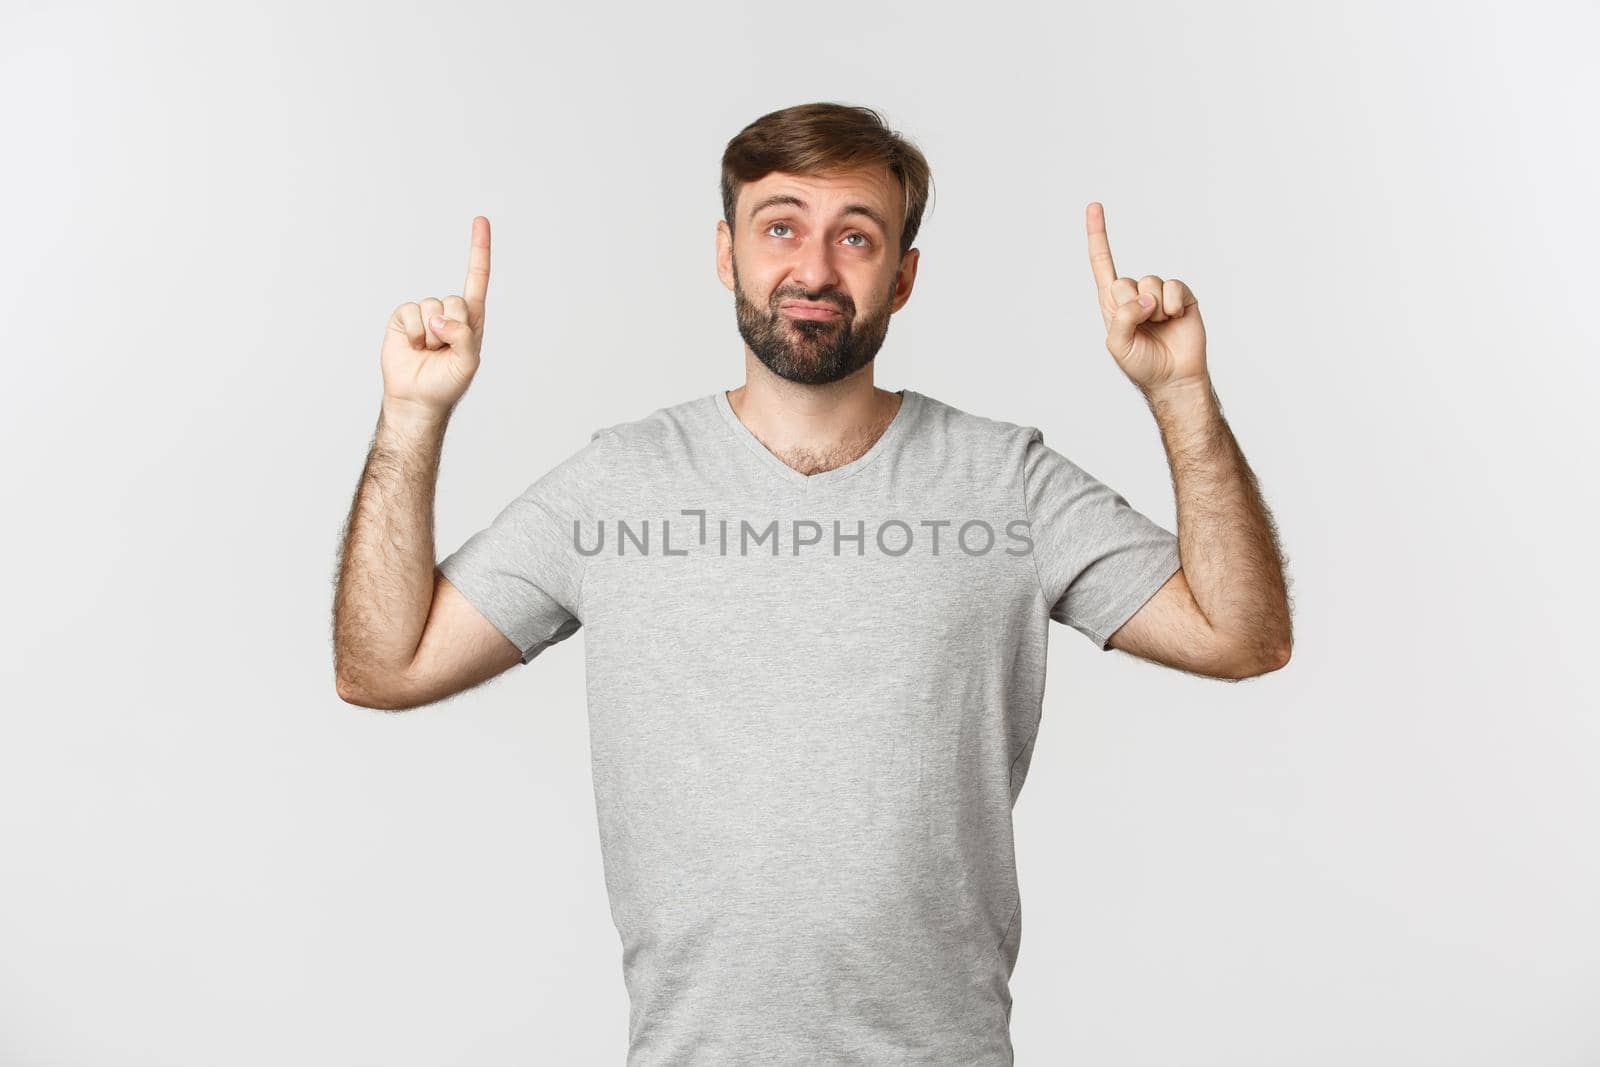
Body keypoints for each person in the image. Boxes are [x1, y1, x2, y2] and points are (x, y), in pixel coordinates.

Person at [331, 101, 1293, 1066]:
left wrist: (1178, 393)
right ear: (727, 253)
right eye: (780, 226)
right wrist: (413, 416)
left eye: (857, 237)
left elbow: (1239, 635)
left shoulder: (1008, 484)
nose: (815, 269)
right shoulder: (617, 484)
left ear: (904, 275)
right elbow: (384, 666)